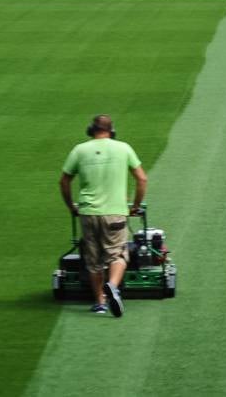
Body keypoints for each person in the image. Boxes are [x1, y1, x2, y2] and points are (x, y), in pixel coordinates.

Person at [59, 114, 147, 317]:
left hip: (88, 213)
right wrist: (134, 206)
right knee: (118, 254)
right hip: (115, 212)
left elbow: (64, 181)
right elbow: (142, 179)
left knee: (93, 259)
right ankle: (113, 286)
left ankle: (100, 302)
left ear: (91, 130)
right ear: (112, 130)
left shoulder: (79, 150)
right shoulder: (123, 148)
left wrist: (71, 207)